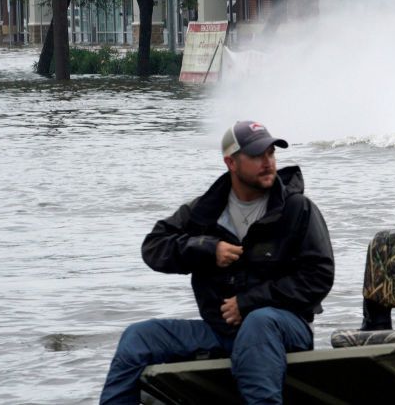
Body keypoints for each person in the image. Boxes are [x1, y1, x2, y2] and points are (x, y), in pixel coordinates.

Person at [100, 121, 334, 404]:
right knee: (138, 337)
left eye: (271, 154)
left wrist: (249, 301)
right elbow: (153, 247)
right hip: (219, 332)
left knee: (258, 322)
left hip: (285, 328)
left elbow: (319, 277)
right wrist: (206, 248)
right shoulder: (203, 211)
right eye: (257, 155)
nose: (268, 162)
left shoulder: (298, 208)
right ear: (231, 163)